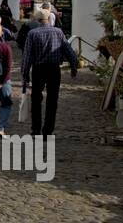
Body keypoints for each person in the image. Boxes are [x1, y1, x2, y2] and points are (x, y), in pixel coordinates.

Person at [20, 8, 79, 137]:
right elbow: (68, 49)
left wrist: (25, 74)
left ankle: (36, 130)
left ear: (37, 19)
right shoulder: (58, 32)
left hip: (38, 69)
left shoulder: (32, 34)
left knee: (36, 100)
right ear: (48, 19)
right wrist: (74, 65)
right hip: (53, 69)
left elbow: (27, 55)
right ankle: (48, 131)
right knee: (52, 100)